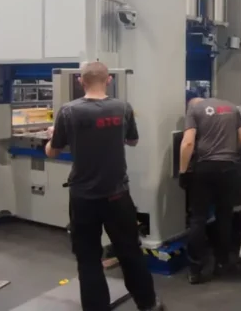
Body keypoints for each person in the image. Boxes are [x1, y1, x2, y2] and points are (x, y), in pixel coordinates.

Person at [46, 62, 164, 311]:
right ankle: (148, 304)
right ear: (108, 80)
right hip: (117, 195)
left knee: (88, 258)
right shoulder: (123, 108)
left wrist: (51, 135)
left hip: (83, 198)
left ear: (80, 81)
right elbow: (132, 141)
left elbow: (53, 152)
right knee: (130, 252)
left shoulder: (68, 111)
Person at [179, 92, 241, 284]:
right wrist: (235, 156)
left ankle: (195, 270)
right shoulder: (232, 107)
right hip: (229, 168)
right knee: (224, 216)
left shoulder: (194, 110)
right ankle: (222, 263)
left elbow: (188, 142)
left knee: (198, 218)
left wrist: (183, 171)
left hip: (205, 168)